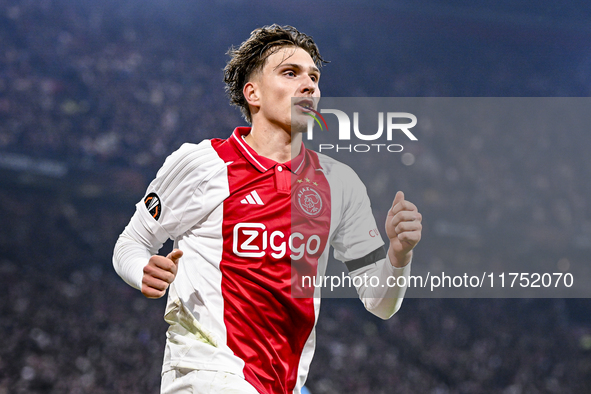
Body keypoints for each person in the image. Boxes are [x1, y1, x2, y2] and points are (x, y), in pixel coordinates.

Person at [113, 24, 422, 394]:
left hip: (281, 385)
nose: (308, 85)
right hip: (204, 373)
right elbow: (131, 242)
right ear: (253, 93)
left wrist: (399, 255)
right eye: (290, 74)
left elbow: (380, 303)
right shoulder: (202, 164)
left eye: (314, 77)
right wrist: (142, 269)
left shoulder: (340, 184)